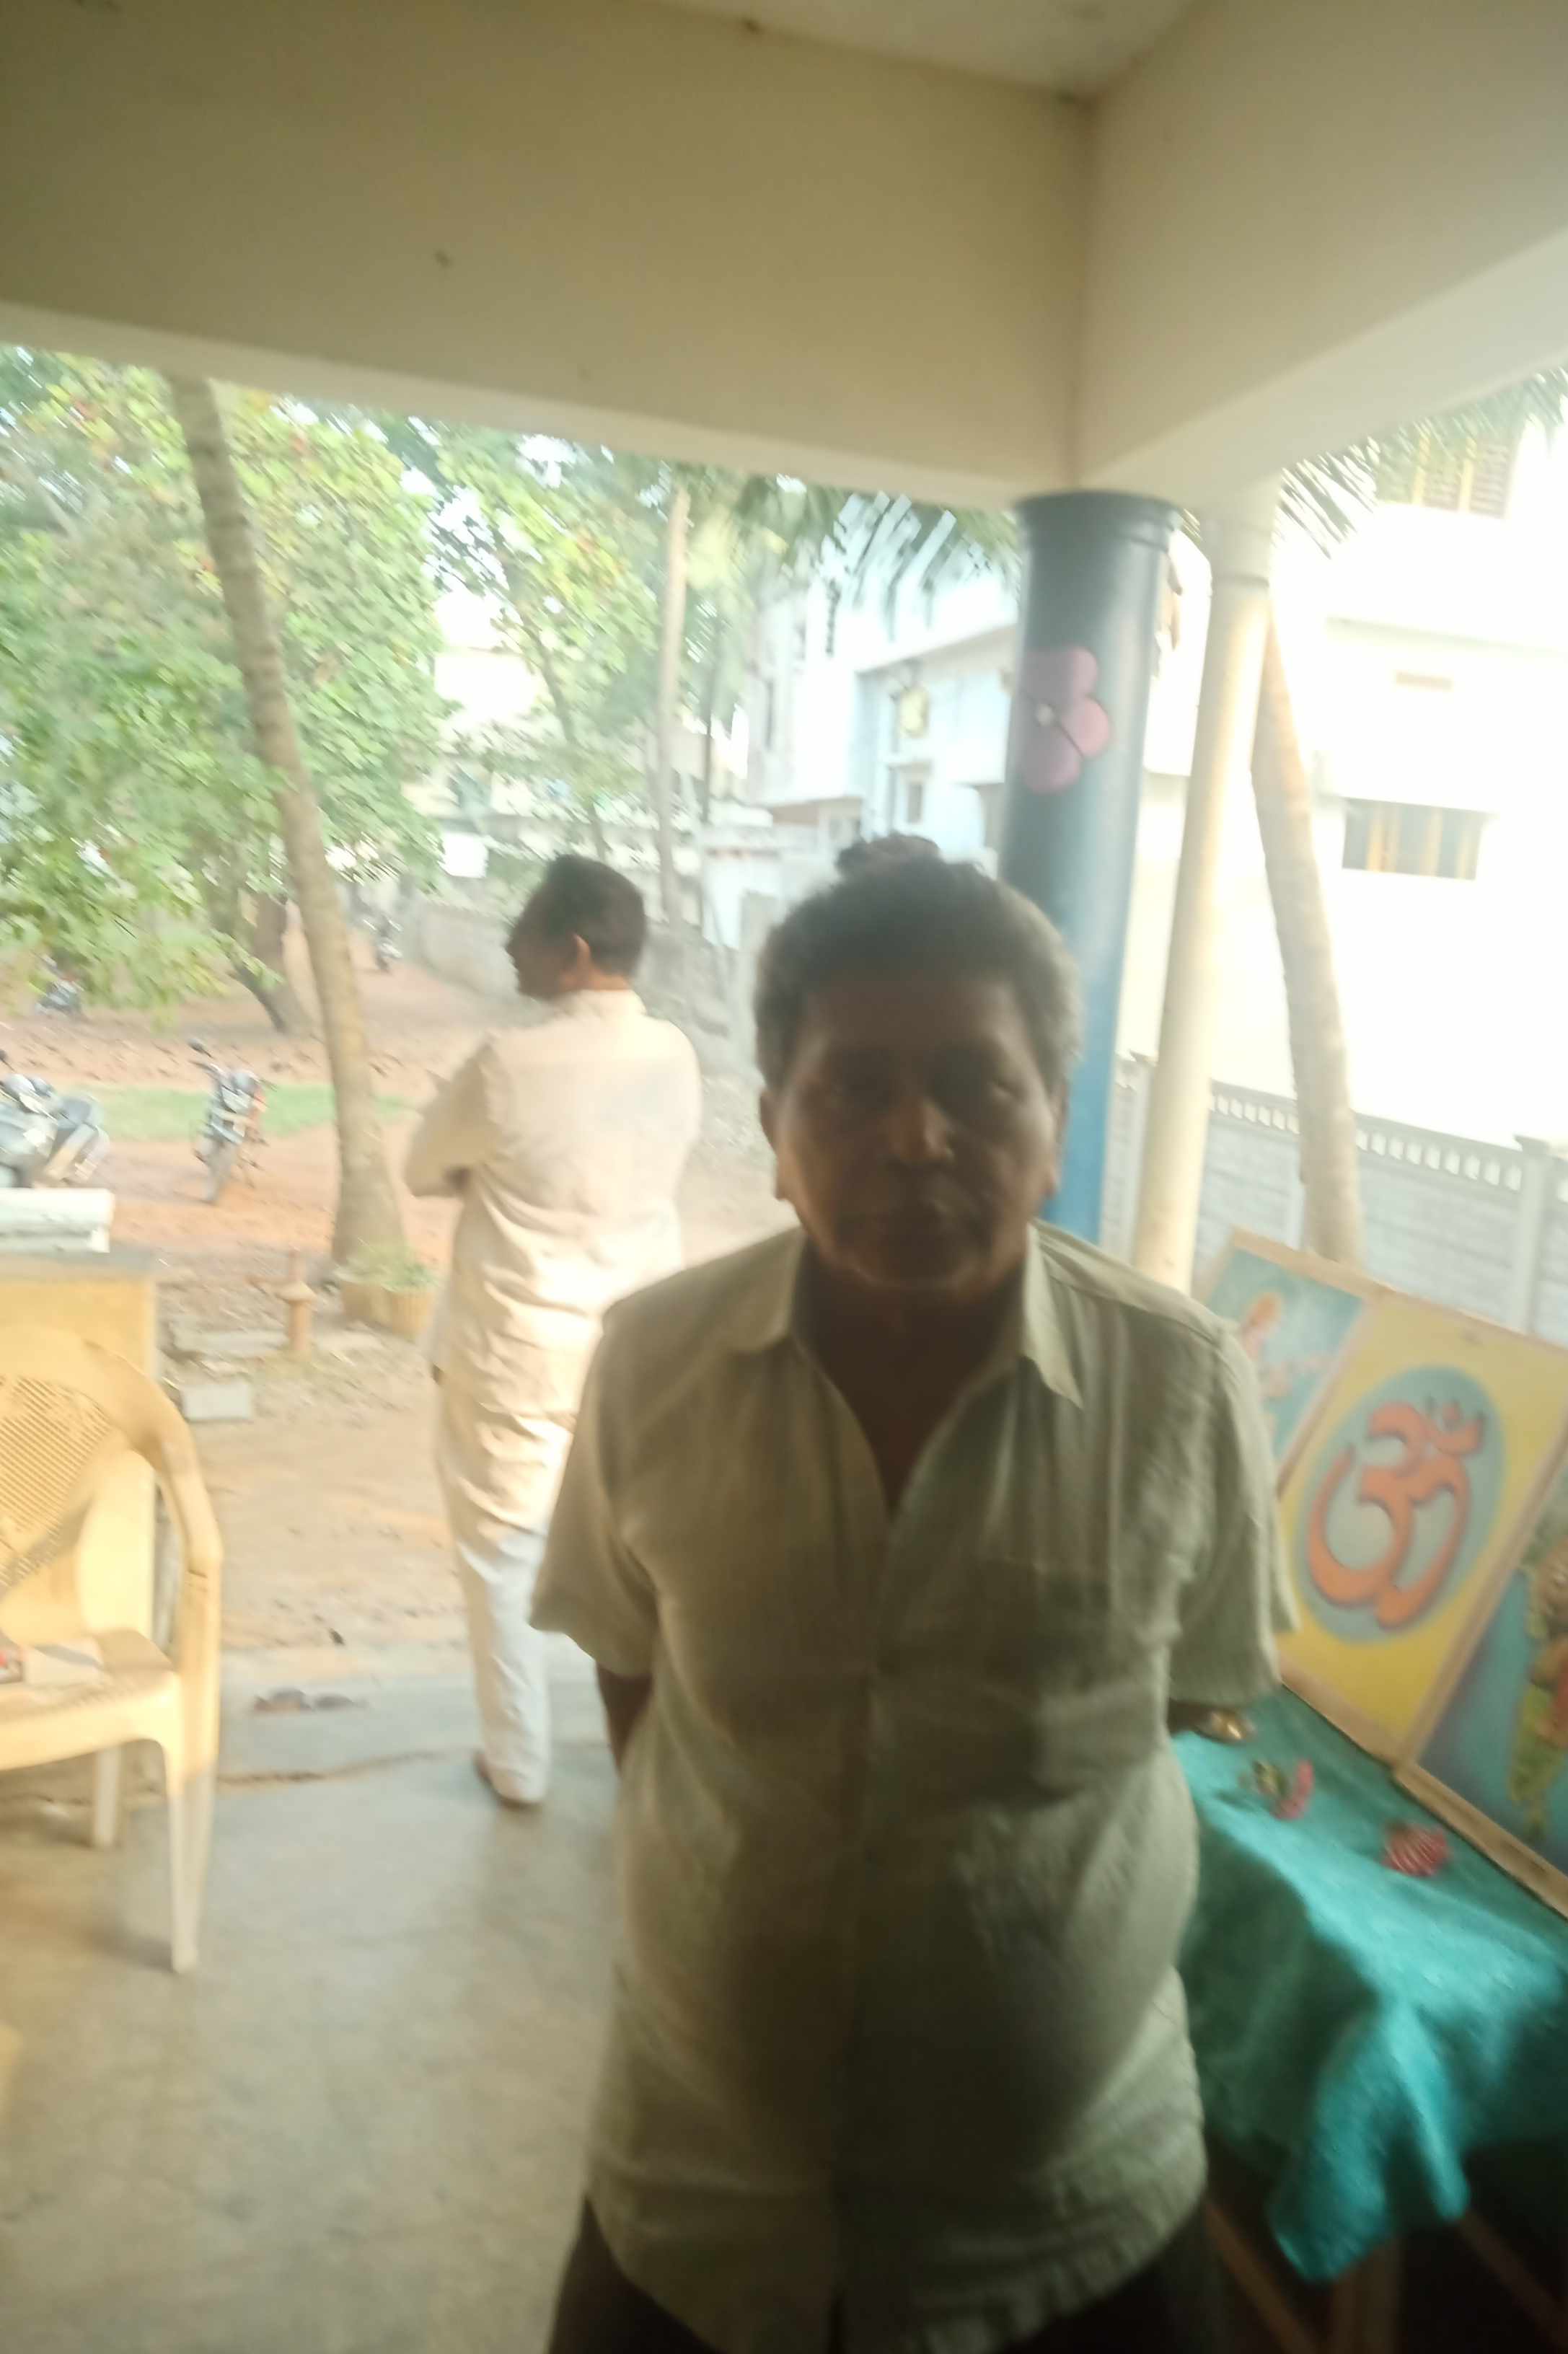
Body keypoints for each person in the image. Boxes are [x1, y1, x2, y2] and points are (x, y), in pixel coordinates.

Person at [533, 852, 1291, 2353]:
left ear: (1055, 1121)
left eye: (975, 1086)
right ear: (774, 1129)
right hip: (700, 2212)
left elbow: (1187, 1698)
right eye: (854, 1089)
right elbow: (636, 1675)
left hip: (1076, 2239)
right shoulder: (651, 1367)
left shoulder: (1182, 1389)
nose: (916, 1137)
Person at [406, 856, 700, 1808]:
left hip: (516, 1355)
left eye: (525, 926)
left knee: (501, 1554)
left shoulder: (506, 1065)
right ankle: (655, 1758)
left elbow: (422, 1167)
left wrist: (485, 1175)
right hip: (636, 1352)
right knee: (638, 1557)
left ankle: (520, 1763)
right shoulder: (675, 1056)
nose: (508, 942)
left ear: (573, 951)